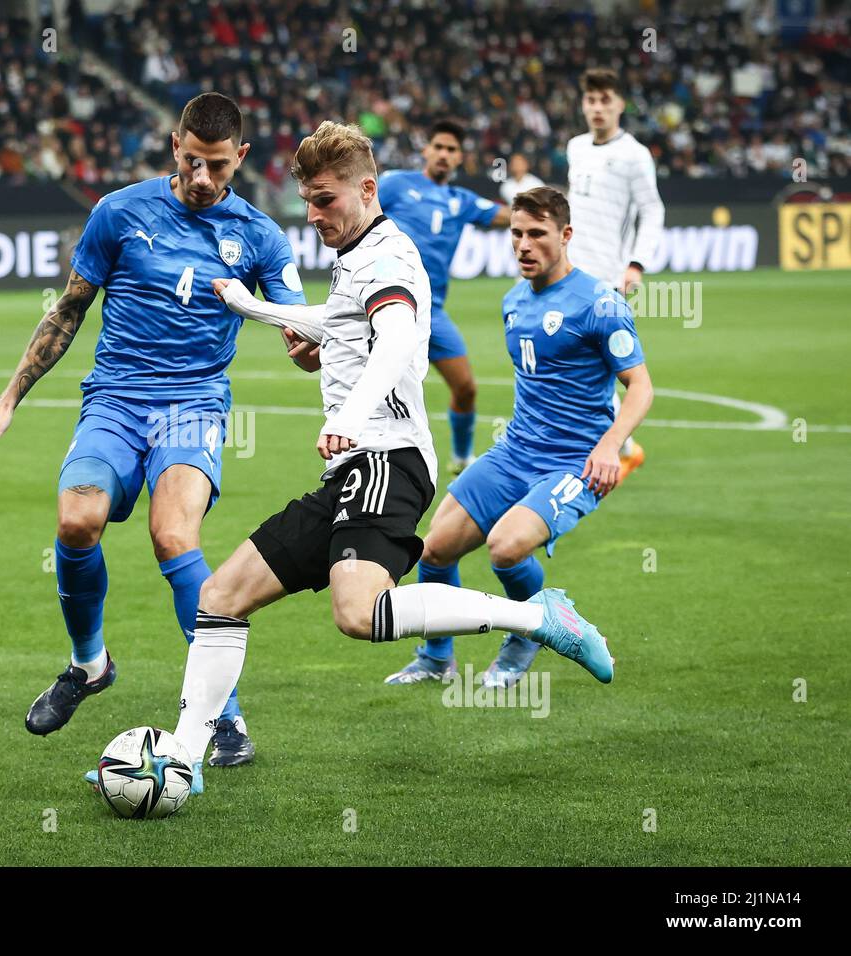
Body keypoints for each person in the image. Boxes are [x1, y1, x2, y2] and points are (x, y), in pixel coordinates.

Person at [164, 124, 614, 788]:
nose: (312, 217)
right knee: (220, 597)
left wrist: (348, 414)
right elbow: (346, 322)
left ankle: (536, 615)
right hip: (354, 467)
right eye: (307, 203)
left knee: (359, 612)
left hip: (385, 459)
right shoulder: (359, 254)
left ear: (366, 190)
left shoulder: (386, 258)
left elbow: (399, 338)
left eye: (324, 201)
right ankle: (180, 760)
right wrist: (254, 308)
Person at [0, 93, 306, 769]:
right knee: (75, 523)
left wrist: (310, 345)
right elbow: (68, 311)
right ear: (174, 144)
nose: (203, 179)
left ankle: (223, 719)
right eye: (192, 161)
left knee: (174, 536)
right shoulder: (118, 212)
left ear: (239, 157)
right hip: (115, 400)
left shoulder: (262, 236)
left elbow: (302, 330)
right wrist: (8, 401)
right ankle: (88, 665)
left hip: (194, 406)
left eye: (217, 166)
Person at [385, 186, 652, 689]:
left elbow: (640, 386)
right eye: (517, 234)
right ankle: (435, 657)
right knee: (435, 549)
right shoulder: (513, 301)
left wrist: (611, 444)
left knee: (506, 549)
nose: (524, 245)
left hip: (576, 461)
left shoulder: (600, 303)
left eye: (537, 234)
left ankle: (530, 631)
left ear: (566, 235)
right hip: (516, 451)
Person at [378, 120, 511, 474]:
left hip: (431, 310)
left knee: (465, 387)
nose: (443, 154)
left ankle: (462, 458)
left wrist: (544, 210)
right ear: (426, 150)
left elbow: (508, 216)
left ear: (459, 159)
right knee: (382, 389)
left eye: (451, 150)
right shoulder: (395, 184)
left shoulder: (460, 200)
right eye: (438, 146)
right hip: (387, 303)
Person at [566, 68, 665, 483]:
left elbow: (652, 209)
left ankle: (616, 447)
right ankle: (619, 447)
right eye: (591, 100)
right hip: (570, 274)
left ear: (620, 104)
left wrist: (636, 264)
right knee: (576, 362)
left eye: (606, 100)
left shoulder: (634, 154)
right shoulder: (575, 148)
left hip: (608, 278)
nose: (597, 108)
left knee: (611, 366)